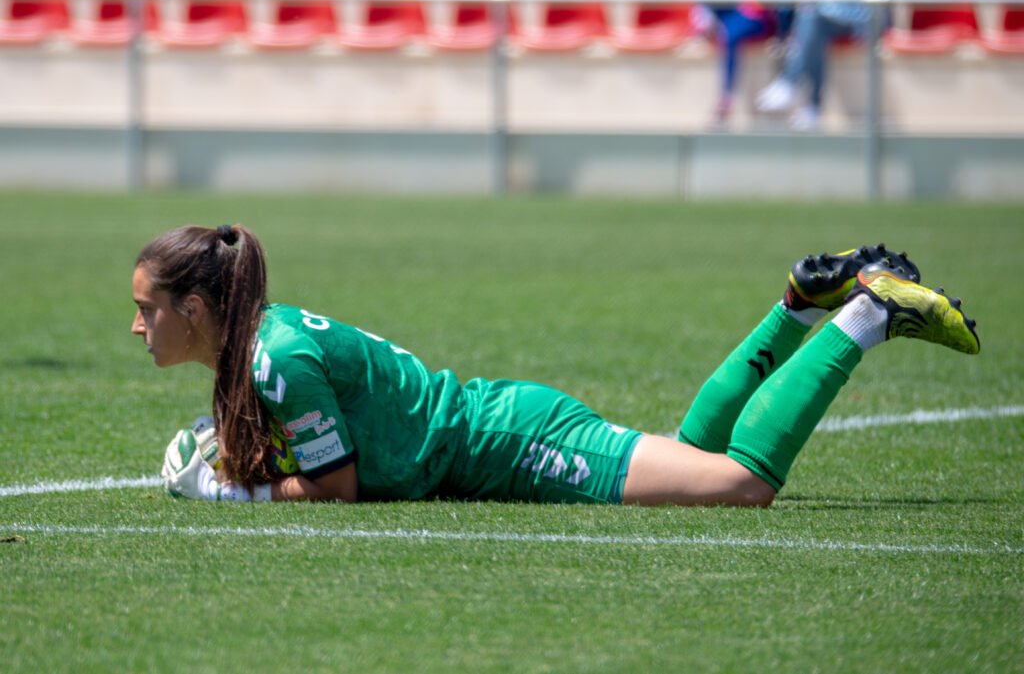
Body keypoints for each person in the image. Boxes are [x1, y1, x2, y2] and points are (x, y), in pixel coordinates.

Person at [133, 225, 979, 506]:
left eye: (147, 307)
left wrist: (229, 491)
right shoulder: (264, 342)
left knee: (737, 484)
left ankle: (868, 313)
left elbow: (337, 488)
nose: (137, 326)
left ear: (195, 308)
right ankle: (796, 305)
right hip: (495, 428)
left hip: (505, 442)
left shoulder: (274, 358)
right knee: (690, 451)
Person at [756, 2, 879, 130]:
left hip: (861, 20)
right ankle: (809, 103)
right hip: (827, 16)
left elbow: (861, 10)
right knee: (811, 26)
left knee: (810, 16)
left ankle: (790, 83)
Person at [690, 2, 792, 125]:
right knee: (720, 18)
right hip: (733, 14)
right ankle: (725, 100)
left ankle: (726, 99)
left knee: (731, 34)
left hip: (760, 18)